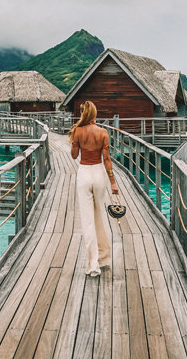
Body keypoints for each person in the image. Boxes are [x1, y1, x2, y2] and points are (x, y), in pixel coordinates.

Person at [69, 101, 119, 277]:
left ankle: (93, 266)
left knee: (87, 221)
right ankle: (104, 257)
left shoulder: (78, 131)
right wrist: (113, 182)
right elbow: (107, 159)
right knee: (99, 217)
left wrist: (75, 142)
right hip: (99, 174)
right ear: (95, 114)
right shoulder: (103, 132)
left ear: (84, 113)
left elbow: (74, 155)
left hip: (84, 174)